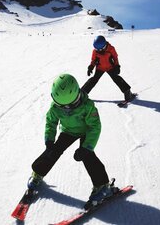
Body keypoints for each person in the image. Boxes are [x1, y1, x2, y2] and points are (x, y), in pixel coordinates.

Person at [27, 73, 114, 208]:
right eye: (62, 106)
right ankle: (38, 172)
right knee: (53, 150)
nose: (66, 109)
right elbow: (51, 122)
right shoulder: (56, 107)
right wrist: (49, 139)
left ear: (77, 97)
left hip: (85, 131)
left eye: (71, 105)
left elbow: (94, 127)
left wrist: (86, 148)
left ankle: (102, 185)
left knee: (88, 156)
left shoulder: (87, 106)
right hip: (68, 131)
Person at [81, 35, 136, 101]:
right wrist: (91, 67)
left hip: (110, 67)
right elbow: (93, 60)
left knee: (117, 78)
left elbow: (115, 58)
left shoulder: (111, 49)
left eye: (100, 49)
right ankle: (82, 94)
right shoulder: (95, 51)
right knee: (93, 80)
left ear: (104, 45)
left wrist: (117, 66)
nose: (99, 51)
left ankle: (128, 93)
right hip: (100, 68)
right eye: (97, 49)